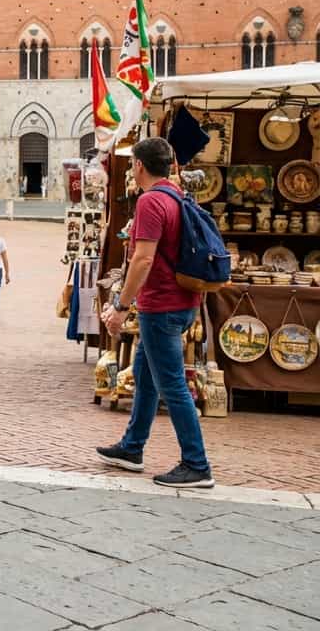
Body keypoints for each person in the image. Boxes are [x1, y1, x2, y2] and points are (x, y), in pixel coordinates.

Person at [98, 138, 215, 488]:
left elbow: (143, 259)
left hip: (161, 304)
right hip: (181, 301)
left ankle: (197, 464)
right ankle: (132, 448)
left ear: (138, 166)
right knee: (146, 378)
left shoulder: (151, 201)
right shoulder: (177, 196)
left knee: (172, 385)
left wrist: (120, 306)